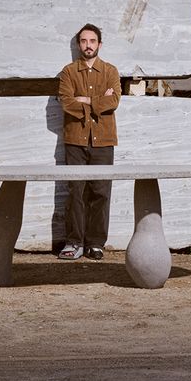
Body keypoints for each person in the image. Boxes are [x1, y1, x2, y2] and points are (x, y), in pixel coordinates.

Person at [56, 23, 121, 261]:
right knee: (76, 191)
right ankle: (74, 242)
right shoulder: (68, 72)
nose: (88, 46)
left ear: (99, 44)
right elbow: (66, 102)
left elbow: (114, 100)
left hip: (103, 141)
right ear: (78, 45)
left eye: (92, 41)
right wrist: (95, 102)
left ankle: (95, 243)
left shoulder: (111, 71)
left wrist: (85, 100)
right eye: (83, 41)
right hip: (75, 140)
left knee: (101, 192)